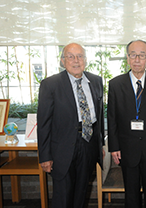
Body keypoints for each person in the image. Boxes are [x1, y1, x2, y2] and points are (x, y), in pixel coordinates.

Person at [37, 43, 105, 208]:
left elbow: (99, 115)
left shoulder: (95, 81)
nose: (76, 60)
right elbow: (44, 122)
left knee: (81, 193)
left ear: (85, 60)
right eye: (70, 56)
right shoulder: (50, 85)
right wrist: (45, 156)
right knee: (63, 197)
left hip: (88, 144)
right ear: (62, 61)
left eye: (80, 56)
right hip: (63, 148)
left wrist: (100, 144)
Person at [107, 40, 146, 208]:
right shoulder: (115, 84)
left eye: (142, 55)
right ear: (127, 58)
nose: (137, 59)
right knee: (131, 194)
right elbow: (112, 118)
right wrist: (114, 147)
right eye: (133, 55)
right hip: (127, 149)